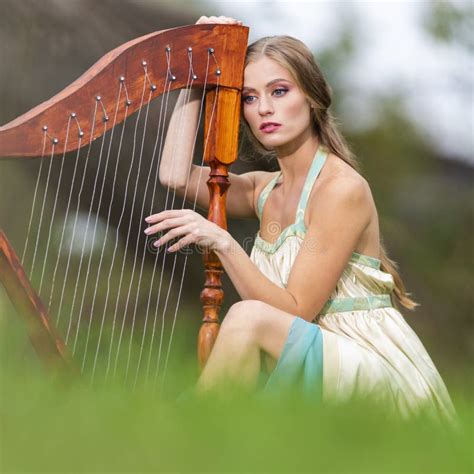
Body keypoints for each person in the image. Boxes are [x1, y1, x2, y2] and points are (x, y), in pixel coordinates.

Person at [145, 15, 457, 425]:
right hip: (312, 353)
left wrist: (222, 241)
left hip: (366, 362)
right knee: (242, 338)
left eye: (279, 91)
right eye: (250, 98)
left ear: (311, 97)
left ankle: (170, 445)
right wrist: (195, 79)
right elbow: (174, 174)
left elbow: (297, 310)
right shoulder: (264, 190)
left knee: (244, 319)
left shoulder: (341, 189)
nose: (264, 109)